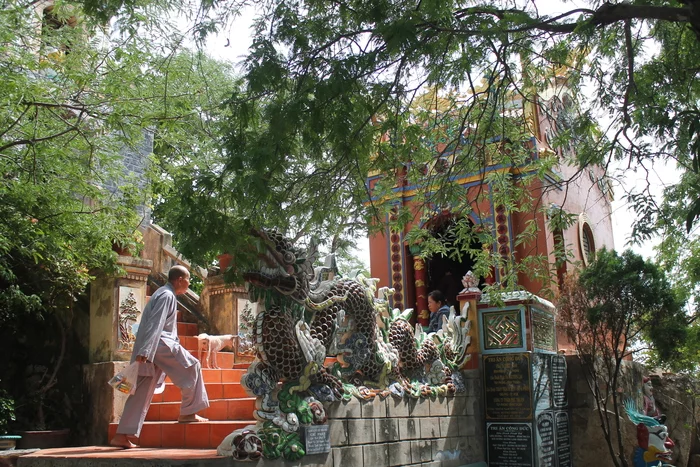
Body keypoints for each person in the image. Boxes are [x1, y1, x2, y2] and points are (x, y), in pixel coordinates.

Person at [110, 265, 210, 449]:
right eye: (188, 280)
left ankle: (121, 436)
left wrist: (144, 351)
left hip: (151, 347)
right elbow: (155, 323)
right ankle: (188, 413)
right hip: (159, 344)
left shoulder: (164, 294)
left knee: (141, 390)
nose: (189, 284)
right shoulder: (166, 295)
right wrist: (146, 351)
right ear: (180, 279)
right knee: (193, 365)